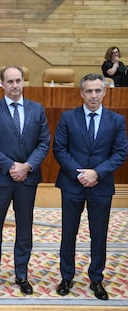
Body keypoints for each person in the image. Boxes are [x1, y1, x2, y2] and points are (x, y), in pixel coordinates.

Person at [53, 73, 128, 301]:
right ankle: (67, 276)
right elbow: (60, 150)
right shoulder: (68, 117)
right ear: (82, 93)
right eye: (89, 91)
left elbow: (120, 153)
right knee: (69, 233)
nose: (93, 95)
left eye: (97, 90)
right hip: (72, 185)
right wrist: (80, 174)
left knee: (99, 234)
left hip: (101, 185)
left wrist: (97, 173)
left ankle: (96, 278)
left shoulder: (116, 121)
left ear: (104, 92)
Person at [0, 65, 50, 295]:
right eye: (9, 81)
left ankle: (22, 274)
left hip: (27, 179)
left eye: (18, 80)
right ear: (1, 84)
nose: (14, 85)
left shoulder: (37, 109)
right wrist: (11, 166)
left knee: (24, 229)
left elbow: (43, 143)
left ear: (23, 82)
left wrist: (27, 166)